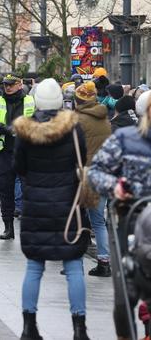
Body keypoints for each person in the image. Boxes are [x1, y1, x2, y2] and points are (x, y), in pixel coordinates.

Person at [13, 78, 90, 340]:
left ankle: (28, 326)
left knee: (34, 267)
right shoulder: (73, 128)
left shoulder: (26, 131)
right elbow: (83, 160)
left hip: (35, 205)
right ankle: (79, 328)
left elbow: (19, 167)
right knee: (73, 266)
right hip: (68, 205)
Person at [88, 90, 151, 340]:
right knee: (126, 292)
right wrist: (115, 187)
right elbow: (96, 172)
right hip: (132, 223)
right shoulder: (125, 139)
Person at [0, 74, 35, 239]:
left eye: (11, 84)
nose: (7, 87)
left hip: (25, 152)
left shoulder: (30, 101)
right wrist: (5, 129)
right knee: (4, 191)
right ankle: (8, 227)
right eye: (6, 84)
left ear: (20, 85)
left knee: (29, 190)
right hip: (3, 153)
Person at [73, 81, 112, 278]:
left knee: (79, 220)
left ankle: (74, 262)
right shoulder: (104, 117)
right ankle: (104, 261)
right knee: (99, 221)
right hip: (104, 173)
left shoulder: (78, 120)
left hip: (85, 175)